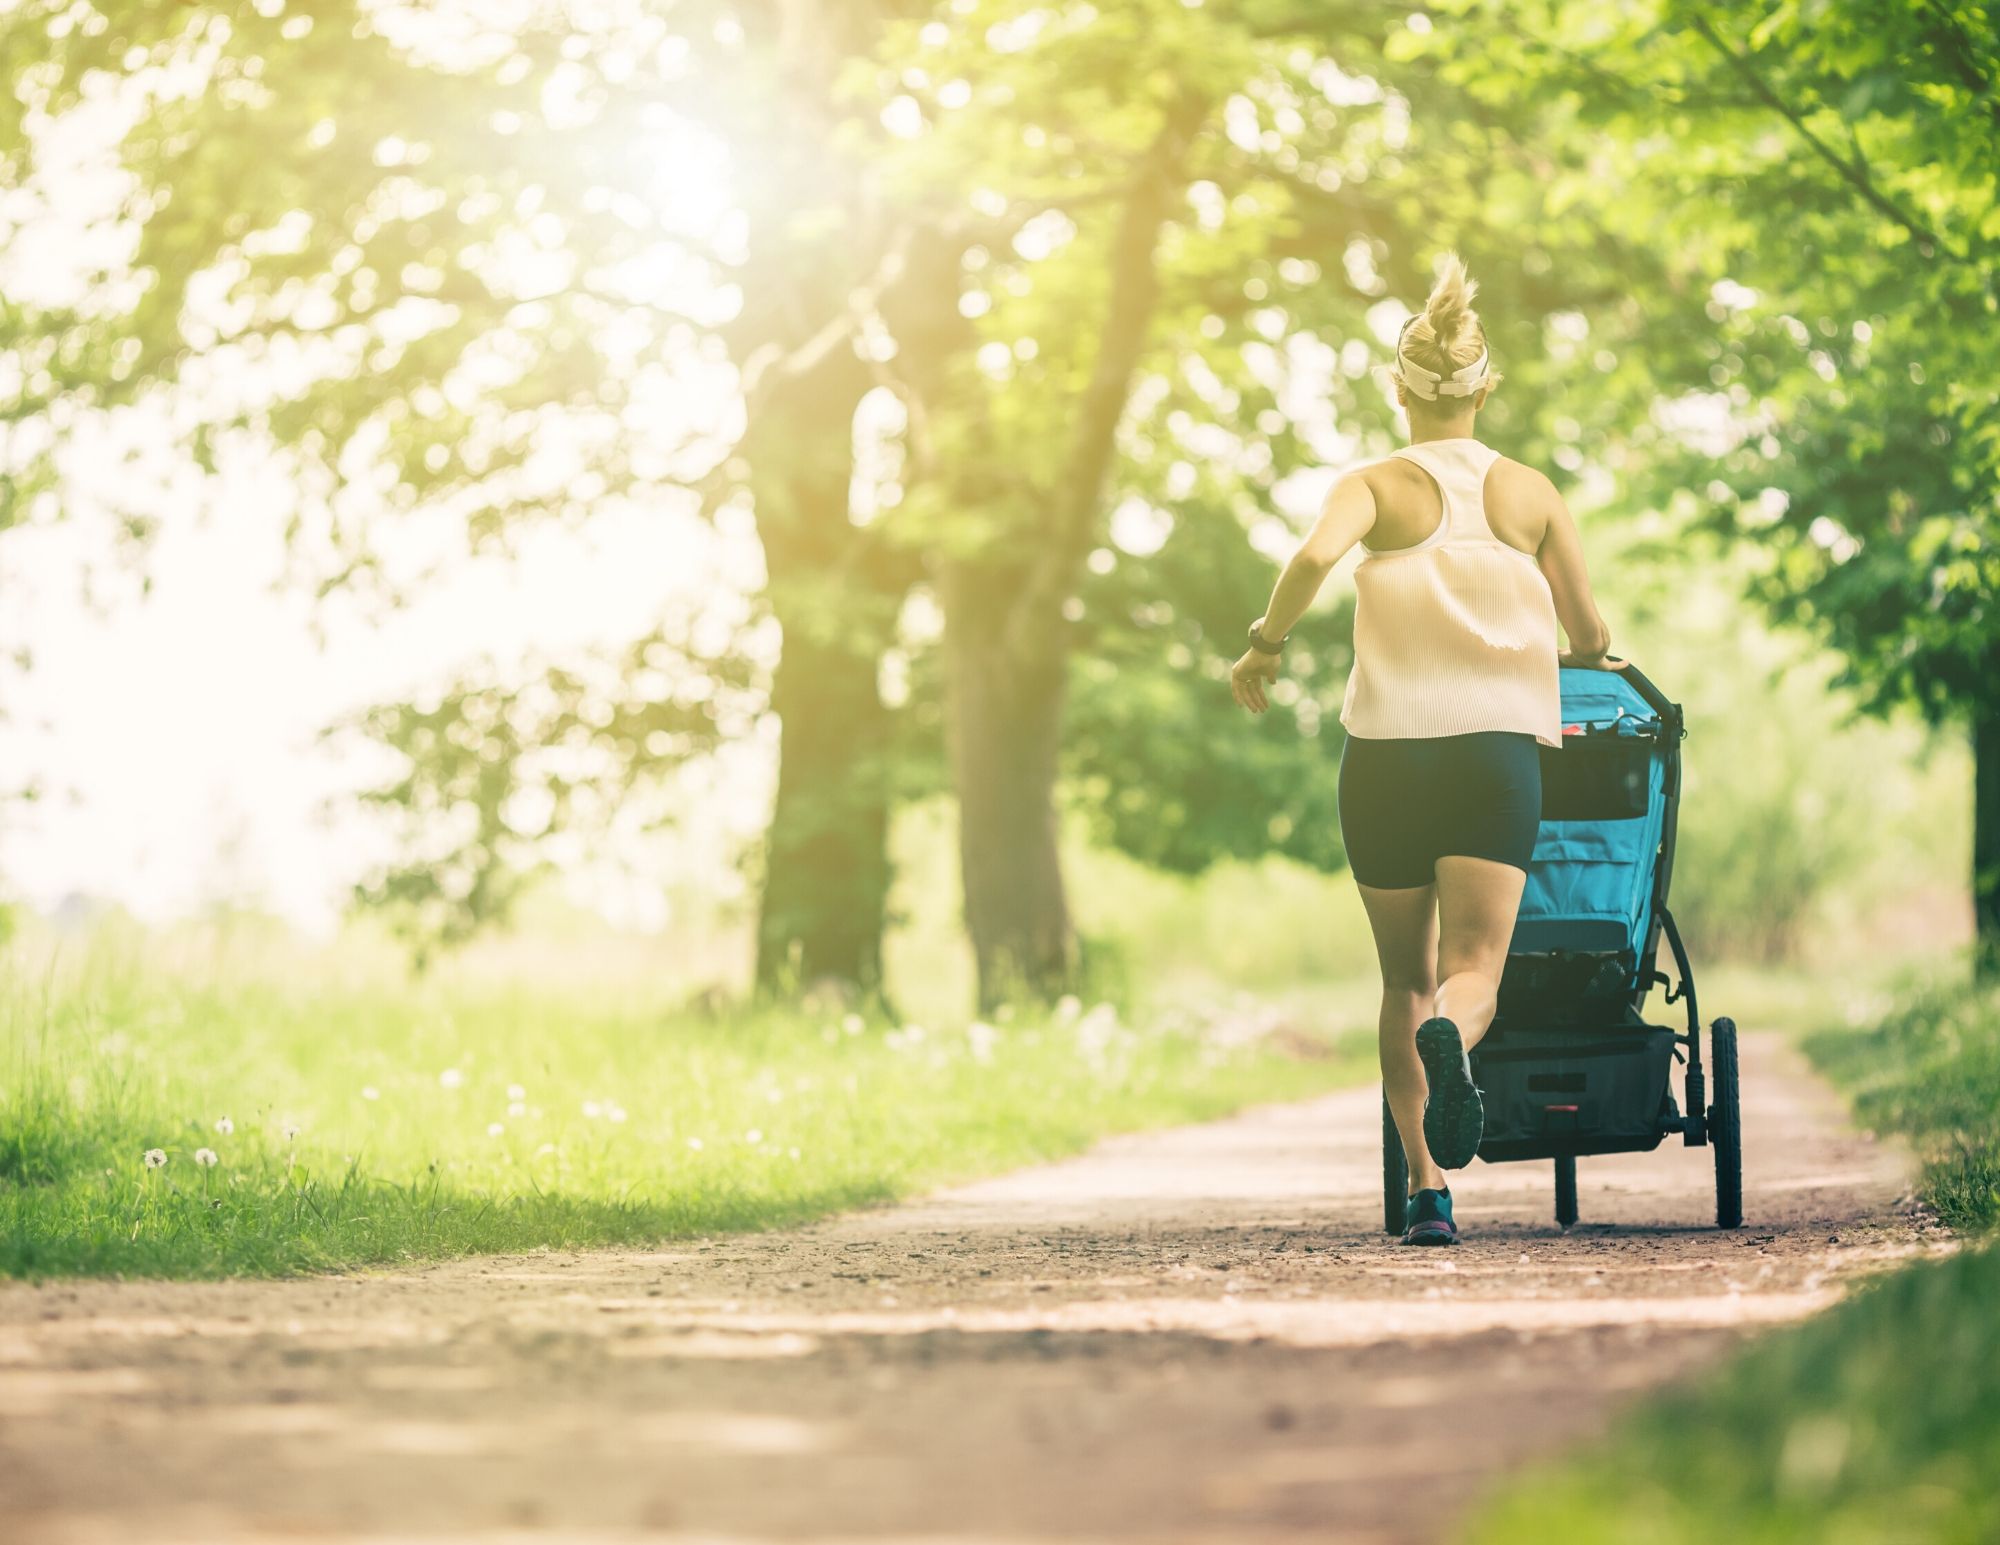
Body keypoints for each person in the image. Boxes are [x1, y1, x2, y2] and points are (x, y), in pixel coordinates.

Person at [1230, 254, 1624, 1246]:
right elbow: (1584, 631)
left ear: (1398, 390)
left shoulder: (1371, 485)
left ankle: (1423, 1189)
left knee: (1397, 980)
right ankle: (1459, 1028)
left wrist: (1262, 645)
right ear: (1483, 388)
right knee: (1471, 968)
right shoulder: (1530, 494)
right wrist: (1577, 642)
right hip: (1493, 756)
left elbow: (1315, 556)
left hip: (1385, 761)